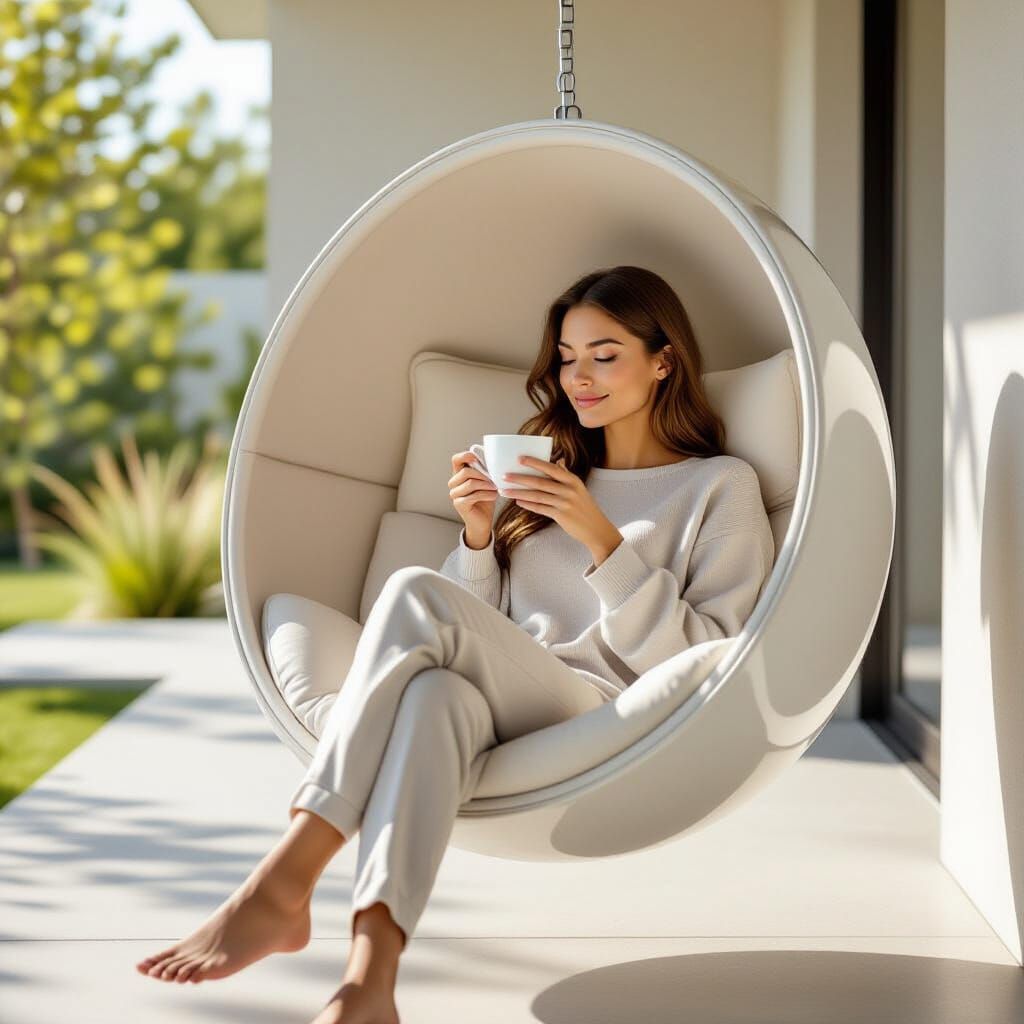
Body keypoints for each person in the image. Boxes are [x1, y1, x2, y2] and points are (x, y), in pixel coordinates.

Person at [133, 265, 774, 1024]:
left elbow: (709, 656)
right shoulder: (551, 471)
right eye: (567, 358)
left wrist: (601, 539)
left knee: (412, 592)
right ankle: (370, 982)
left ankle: (284, 879)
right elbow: (468, 628)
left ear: (663, 361)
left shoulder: (719, 487)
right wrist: (477, 533)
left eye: (604, 356)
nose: (578, 377)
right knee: (435, 694)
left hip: (598, 707)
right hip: (505, 689)